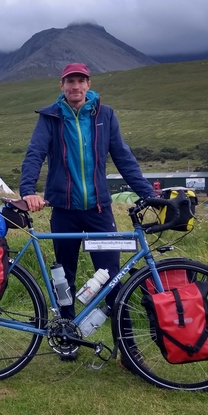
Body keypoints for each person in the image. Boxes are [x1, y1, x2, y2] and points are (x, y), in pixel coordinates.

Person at [19, 62, 155, 359]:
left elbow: (123, 157)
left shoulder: (104, 115)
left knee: (113, 277)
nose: (75, 87)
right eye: (70, 82)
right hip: (64, 211)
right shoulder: (50, 117)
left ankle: (129, 348)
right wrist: (28, 191)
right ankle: (66, 336)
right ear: (62, 86)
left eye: (80, 81)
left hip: (99, 211)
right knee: (63, 276)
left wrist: (149, 194)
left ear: (88, 85)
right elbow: (35, 153)